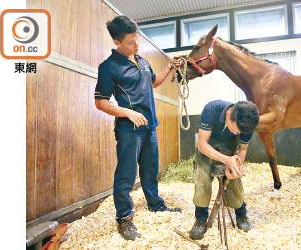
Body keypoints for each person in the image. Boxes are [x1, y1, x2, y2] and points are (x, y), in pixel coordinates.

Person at [94, 15, 181, 241]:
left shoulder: (141, 60)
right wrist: (128, 113)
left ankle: (155, 204)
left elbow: (153, 82)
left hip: (150, 125)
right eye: (131, 42)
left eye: (137, 40)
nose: (137, 45)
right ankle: (124, 217)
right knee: (126, 173)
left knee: (150, 169)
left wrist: (170, 68)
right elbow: (101, 101)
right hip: (128, 128)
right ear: (117, 42)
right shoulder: (108, 67)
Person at [189, 100, 260, 240]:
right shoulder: (212, 109)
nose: (238, 132)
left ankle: (241, 214)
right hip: (208, 144)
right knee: (202, 179)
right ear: (228, 114)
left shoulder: (247, 123)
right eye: (236, 129)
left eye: (240, 131)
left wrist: (236, 165)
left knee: (235, 182)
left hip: (229, 146)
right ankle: (200, 219)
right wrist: (226, 160)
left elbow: (243, 149)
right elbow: (202, 145)